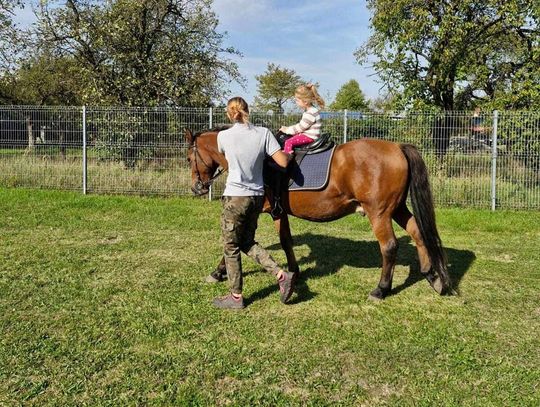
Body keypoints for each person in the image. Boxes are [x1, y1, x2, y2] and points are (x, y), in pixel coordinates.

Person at [212, 96, 295, 310]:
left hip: (235, 197)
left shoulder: (223, 136)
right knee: (247, 241)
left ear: (229, 114)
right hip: (257, 197)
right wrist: (291, 149)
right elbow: (283, 162)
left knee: (231, 246)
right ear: (247, 110)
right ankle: (281, 274)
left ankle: (236, 297)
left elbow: (224, 156)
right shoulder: (264, 133)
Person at [279, 83, 325, 154]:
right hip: (310, 135)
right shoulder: (312, 110)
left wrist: (287, 130)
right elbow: (301, 126)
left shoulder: (310, 113)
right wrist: (288, 128)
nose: (296, 102)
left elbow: (300, 128)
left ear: (305, 101)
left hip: (309, 137)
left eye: (297, 100)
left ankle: (287, 158)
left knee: (288, 142)